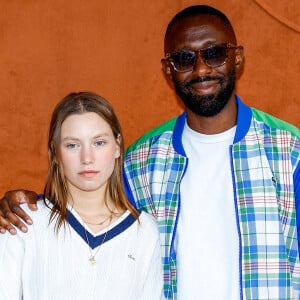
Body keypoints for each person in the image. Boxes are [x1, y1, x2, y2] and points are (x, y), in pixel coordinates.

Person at [0, 5, 300, 300]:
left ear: (237, 57)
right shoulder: (143, 160)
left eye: (214, 52)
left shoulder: (290, 152)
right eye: (184, 58)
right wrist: (28, 204)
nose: (201, 69)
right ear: (168, 69)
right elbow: (91, 206)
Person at [0, 91, 163, 300]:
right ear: (56, 153)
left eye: (99, 142)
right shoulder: (22, 221)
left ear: (117, 146)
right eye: (72, 145)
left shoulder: (146, 231)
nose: (87, 157)